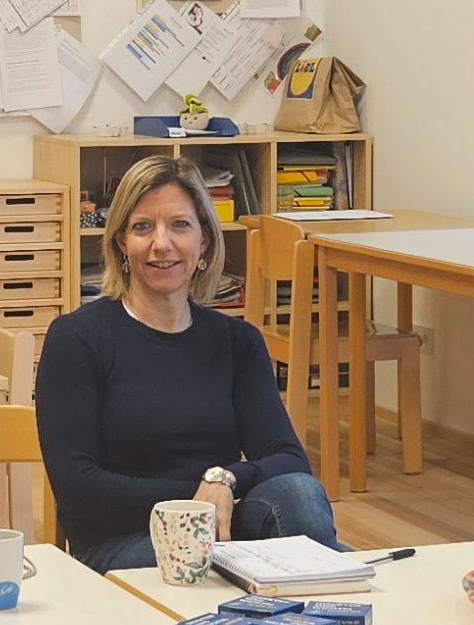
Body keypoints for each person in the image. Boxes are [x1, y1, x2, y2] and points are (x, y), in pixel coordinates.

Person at [35, 152, 340, 571]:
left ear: (204, 242)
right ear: (122, 242)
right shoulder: (77, 339)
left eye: (179, 225)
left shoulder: (237, 341)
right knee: (318, 561)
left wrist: (225, 481)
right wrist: (198, 499)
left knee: (299, 495)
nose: (162, 244)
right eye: (143, 227)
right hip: (127, 541)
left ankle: (328, 606)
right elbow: (78, 486)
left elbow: (288, 458)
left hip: (224, 529)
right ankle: (335, 595)